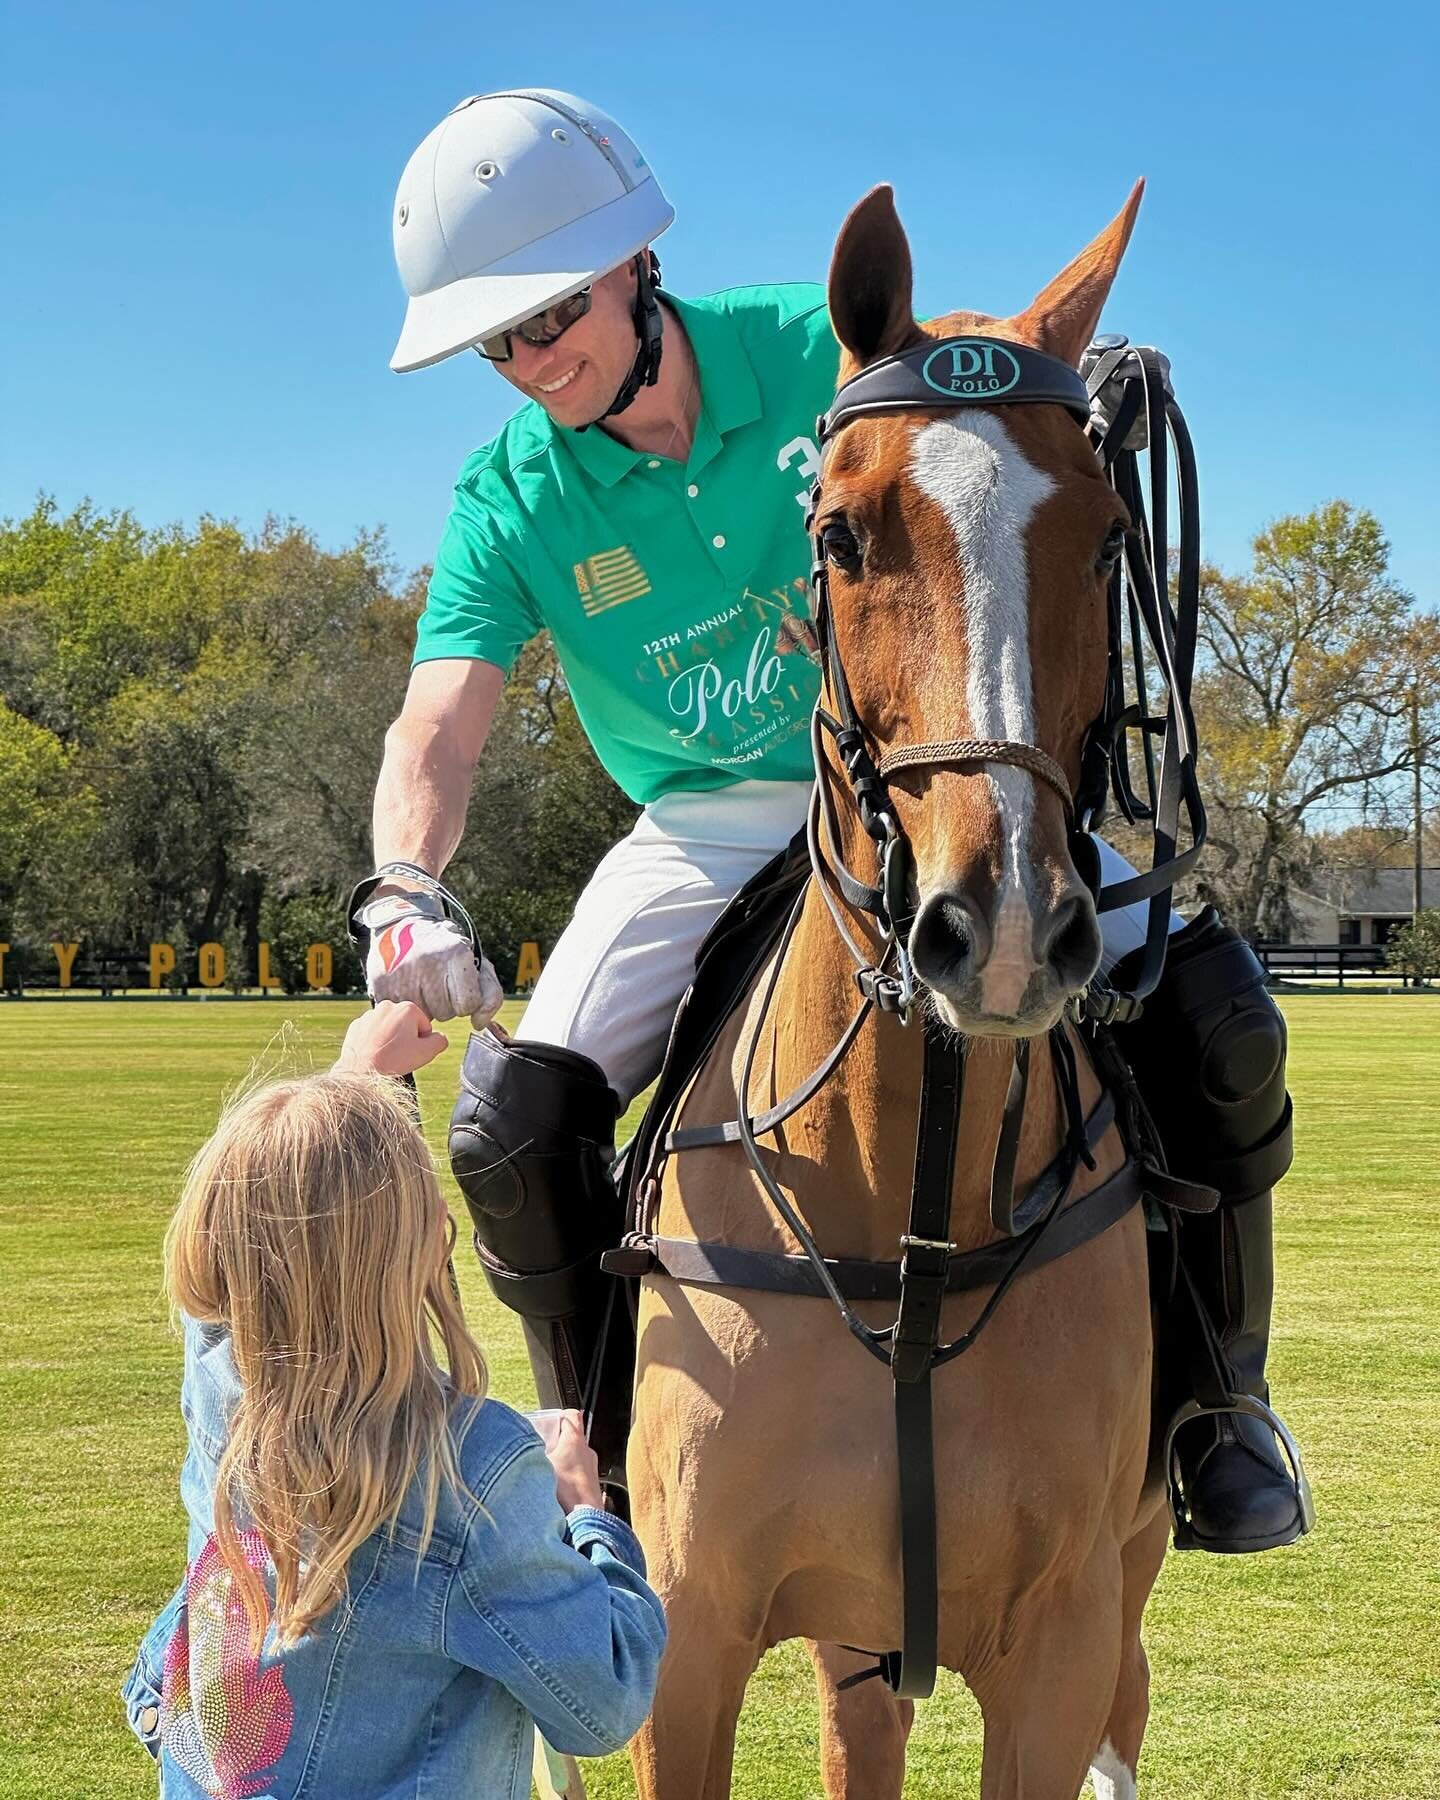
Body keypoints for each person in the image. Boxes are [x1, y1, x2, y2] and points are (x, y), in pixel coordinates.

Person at [358, 87, 1308, 1554]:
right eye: (499, 342)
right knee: (514, 1118)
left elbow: (997, 414)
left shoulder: (821, 354)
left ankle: (1222, 1409)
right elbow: (441, 719)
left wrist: (1050, 392)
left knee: (1223, 1017)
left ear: (634, 266)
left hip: (920, 783)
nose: (533, 360)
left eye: (550, 315)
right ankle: (587, 1439)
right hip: (704, 820)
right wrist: (405, 883)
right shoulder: (511, 497)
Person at [120, 1000, 666, 1800]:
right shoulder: (475, 1469)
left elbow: (277, 1232)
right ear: (407, 1249)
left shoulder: (222, 1379)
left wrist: (352, 1081)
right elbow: (603, 1703)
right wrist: (587, 1512)